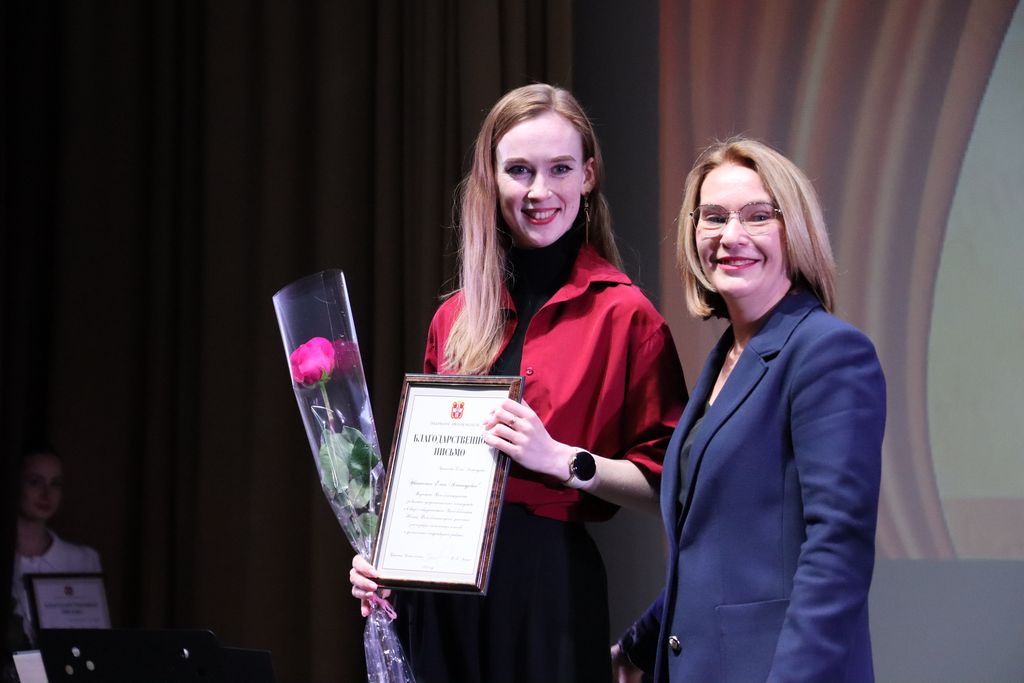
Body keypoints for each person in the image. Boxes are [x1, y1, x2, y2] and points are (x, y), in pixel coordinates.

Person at [349, 83, 687, 682]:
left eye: (560, 169)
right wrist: (386, 558)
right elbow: (423, 476)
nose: (539, 191)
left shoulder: (628, 317)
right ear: (491, 178)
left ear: (588, 175)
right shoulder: (454, 318)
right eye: (519, 170)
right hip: (439, 595)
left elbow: (670, 487)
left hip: (548, 592)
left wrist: (562, 460)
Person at [612, 137, 886, 683]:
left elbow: (837, 551)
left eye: (758, 216)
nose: (730, 236)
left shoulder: (828, 352)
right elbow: (718, 552)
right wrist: (638, 647)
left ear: (795, 231)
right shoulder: (725, 361)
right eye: (713, 217)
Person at [10, 445, 102, 647]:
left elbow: (95, 636)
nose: (46, 494)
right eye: (35, 482)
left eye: (55, 484)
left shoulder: (82, 560)